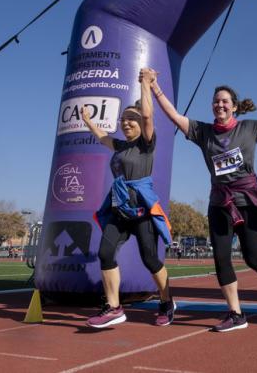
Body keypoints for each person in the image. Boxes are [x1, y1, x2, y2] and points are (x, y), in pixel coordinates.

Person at [152, 75, 257, 332]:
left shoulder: (248, 128)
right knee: (221, 258)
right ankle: (236, 314)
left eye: (224, 101)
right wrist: (155, 88)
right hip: (220, 203)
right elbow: (174, 116)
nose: (219, 105)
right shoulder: (203, 132)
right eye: (215, 101)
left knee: (254, 259)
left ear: (234, 106)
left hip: (248, 200)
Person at [83, 68, 174, 328]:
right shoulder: (121, 146)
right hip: (119, 210)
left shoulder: (147, 143)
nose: (126, 123)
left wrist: (145, 84)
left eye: (130, 119)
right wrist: (88, 120)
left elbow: (147, 114)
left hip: (143, 212)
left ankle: (166, 301)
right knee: (105, 252)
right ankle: (114, 307)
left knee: (150, 259)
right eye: (123, 120)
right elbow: (102, 138)